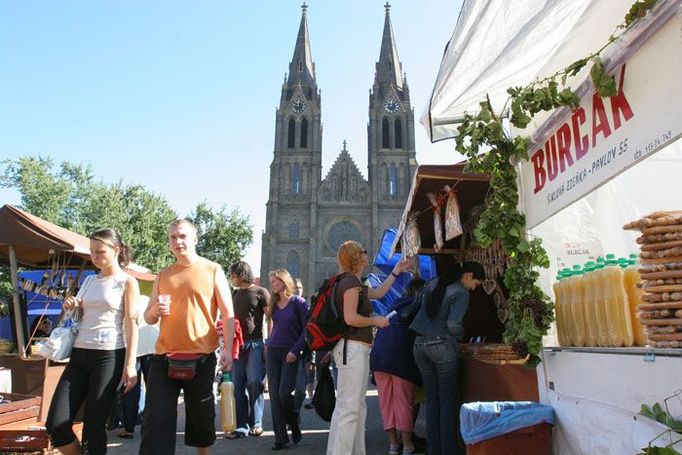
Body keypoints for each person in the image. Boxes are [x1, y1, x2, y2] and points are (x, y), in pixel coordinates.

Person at [139, 219, 234, 455]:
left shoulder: (212, 269)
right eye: (173, 237)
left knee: (201, 421)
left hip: (201, 358)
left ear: (195, 239)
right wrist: (154, 311)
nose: (177, 241)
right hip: (163, 357)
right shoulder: (163, 275)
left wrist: (228, 349)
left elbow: (228, 312)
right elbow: (148, 318)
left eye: (182, 236)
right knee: (156, 422)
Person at [46, 228, 140, 455]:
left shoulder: (127, 282)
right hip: (79, 354)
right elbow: (82, 311)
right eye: (91, 252)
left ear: (116, 250)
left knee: (93, 428)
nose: (95, 257)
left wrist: (130, 365)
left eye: (100, 251)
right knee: (56, 425)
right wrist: (72, 305)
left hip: (109, 355)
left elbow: (131, 324)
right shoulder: (89, 280)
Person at [326, 240, 409, 455]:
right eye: (363, 251)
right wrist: (376, 321)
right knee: (350, 409)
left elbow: (380, 293)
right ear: (357, 257)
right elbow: (351, 318)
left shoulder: (350, 282)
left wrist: (396, 272)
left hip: (351, 349)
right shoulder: (351, 283)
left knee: (354, 408)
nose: (367, 253)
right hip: (352, 349)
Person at [409, 260, 485, 455]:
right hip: (441, 346)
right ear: (468, 275)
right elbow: (453, 325)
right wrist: (460, 336)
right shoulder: (461, 292)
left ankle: (434, 449)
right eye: (476, 283)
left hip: (419, 345)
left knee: (432, 401)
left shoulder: (434, 283)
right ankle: (449, 450)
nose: (474, 288)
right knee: (448, 402)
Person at [370, 278, 425, 455]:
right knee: (403, 402)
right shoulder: (419, 305)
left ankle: (393, 445)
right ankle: (408, 445)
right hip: (400, 359)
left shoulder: (394, 304)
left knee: (386, 403)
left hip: (379, 358)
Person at [226, 261, 270, 439]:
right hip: (237, 345)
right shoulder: (234, 293)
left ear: (241, 275)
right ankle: (241, 426)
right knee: (238, 387)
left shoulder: (261, 292)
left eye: (233, 276)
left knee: (254, 382)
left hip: (256, 344)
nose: (232, 279)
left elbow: (270, 318)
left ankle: (257, 423)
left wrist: (269, 342)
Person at [266, 269, 308, 450]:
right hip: (273, 351)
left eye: (275, 281)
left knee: (284, 393)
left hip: (290, 352)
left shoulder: (298, 302)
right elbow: (272, 325)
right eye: (271, 282)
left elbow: (307, 330)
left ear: (284, 282)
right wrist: (267, 344)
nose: (272, 284)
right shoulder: (274, 302)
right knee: (274, 396)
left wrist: (296, 350)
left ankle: (294, 422)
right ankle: (280, 438)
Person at [118, 295, 159, 439]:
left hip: (132, 350)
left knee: (130, 388)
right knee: (154, 389)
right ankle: (155, 426)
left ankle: (129, 429)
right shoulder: (148, 300)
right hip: (152, 347)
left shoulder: (126, 303)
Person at [292, 279, 315, 412]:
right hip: (290, 346)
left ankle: (309, 400)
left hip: (305, 347)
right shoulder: (286, 305)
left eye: (300, 287)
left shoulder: (306, 307)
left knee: (308, 374)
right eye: (295, 288)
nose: (298, 290)